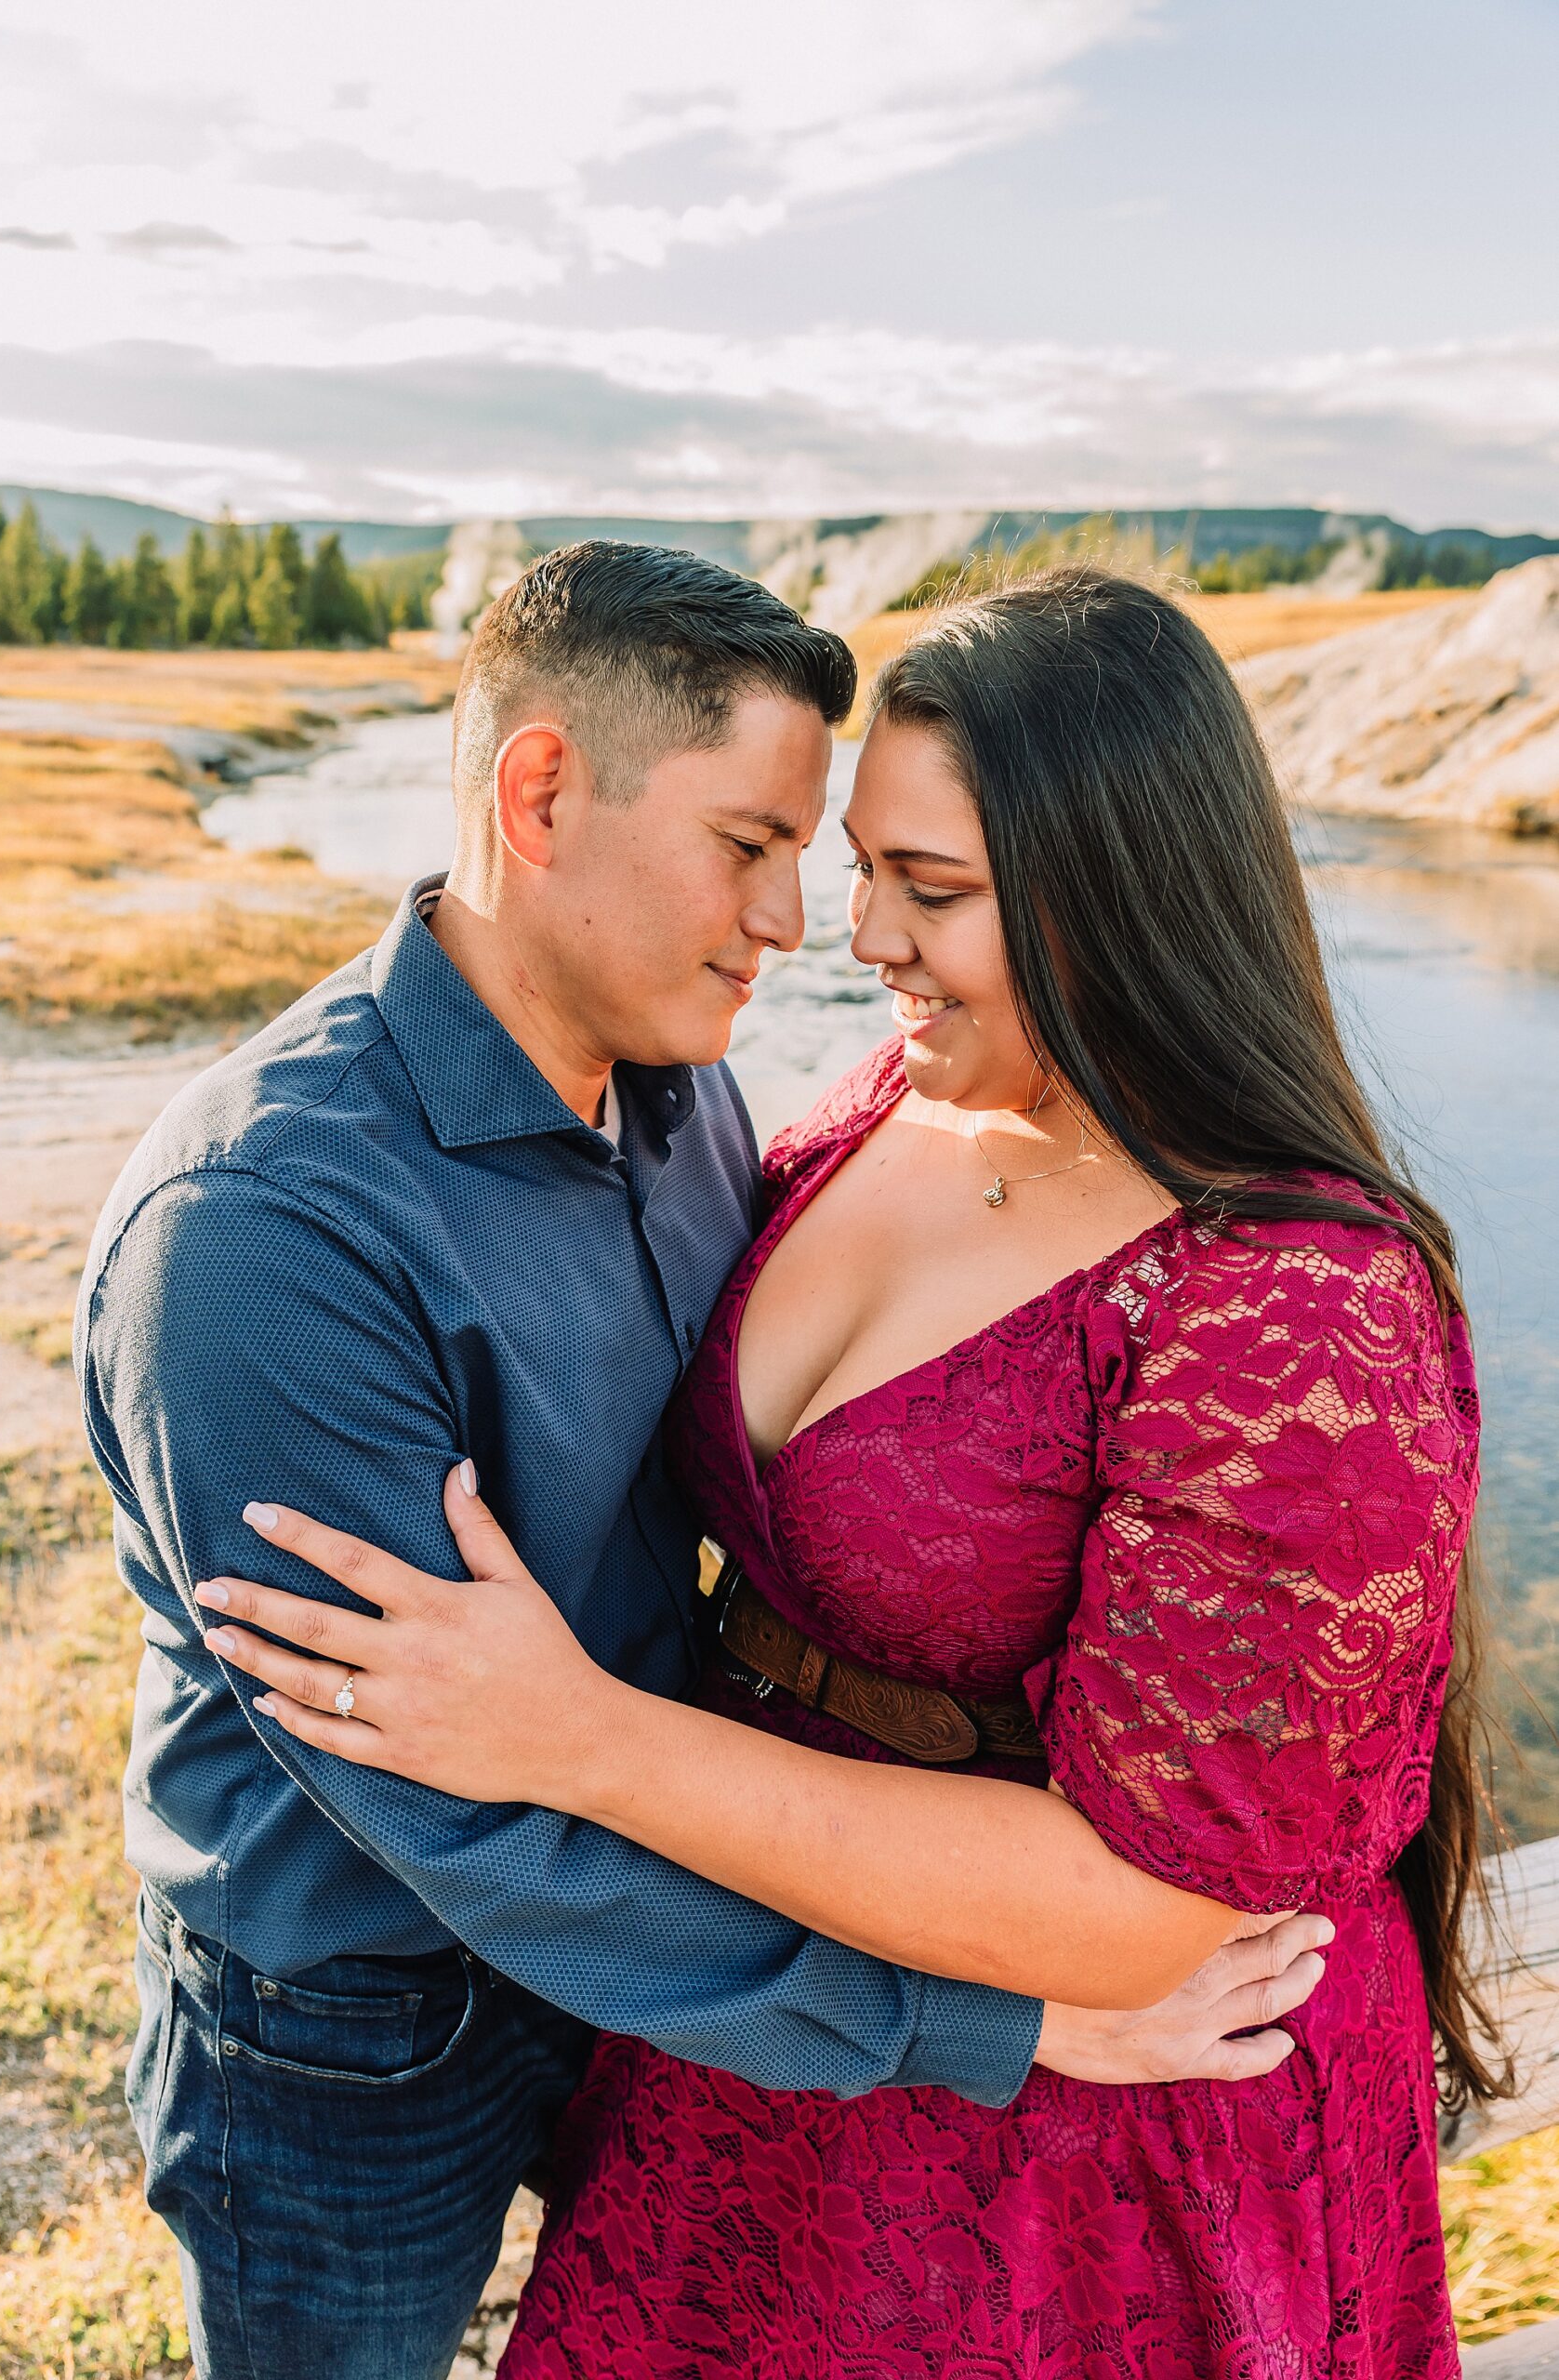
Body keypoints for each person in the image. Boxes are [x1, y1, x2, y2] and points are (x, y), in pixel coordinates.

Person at [206, 566, 1500, 2378]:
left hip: (1081, 2124)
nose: (853, 932)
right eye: (858, 864)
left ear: (1118, 900)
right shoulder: (875, 1103)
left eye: (930, 888)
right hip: (766, 2024)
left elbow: (1148, 1908)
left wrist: (578, 1733)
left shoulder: (1292, 1300)